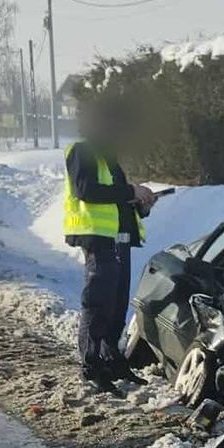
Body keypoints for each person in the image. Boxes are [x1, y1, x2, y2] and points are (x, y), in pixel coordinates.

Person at [64, 104, 157, 394]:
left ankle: (111, 360)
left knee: (116, 303)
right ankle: (91, 366)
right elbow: (86, 190)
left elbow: (116, 201)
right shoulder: (82, 151)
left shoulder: (110, 157)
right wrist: (130, 191)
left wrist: (141, 205)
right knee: (98, 302)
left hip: (119, 239)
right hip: (97, 238)